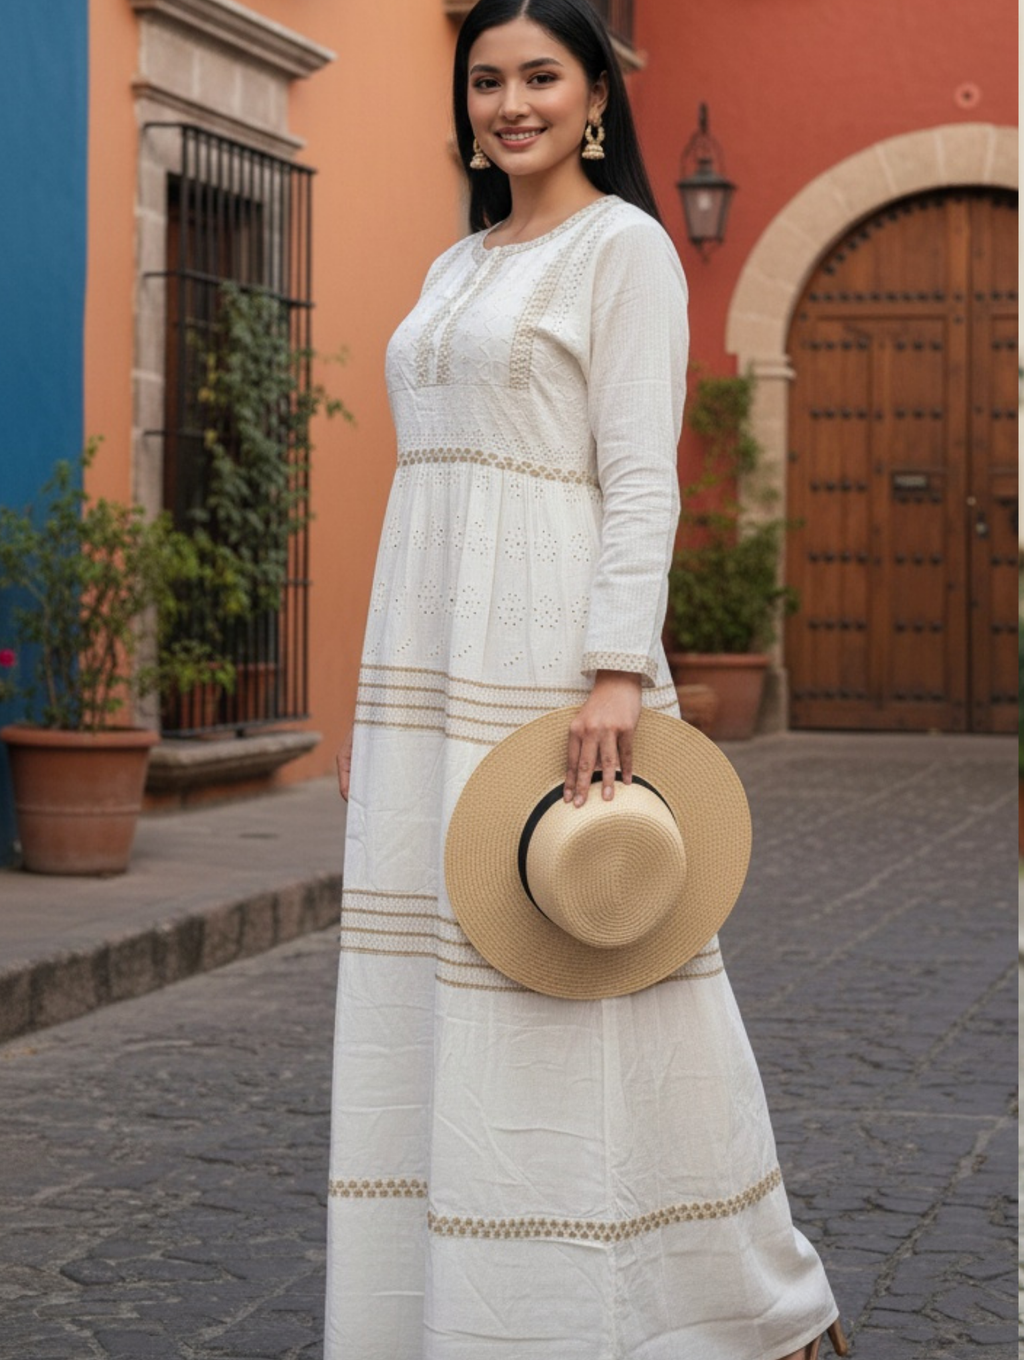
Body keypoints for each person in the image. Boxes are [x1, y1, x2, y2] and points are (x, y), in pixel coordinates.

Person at [327, 1, 847, 1356]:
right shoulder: (454, 267)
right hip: (432, 653)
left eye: (541, 76)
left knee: (598, 960)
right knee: (449, 968)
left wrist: (617, 670)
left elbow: (637, 476)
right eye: (487, 78)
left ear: (595, 95)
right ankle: (448, 1298)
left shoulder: (625, 252)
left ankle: (701, 1298)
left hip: (549, 653)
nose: (512, 102)